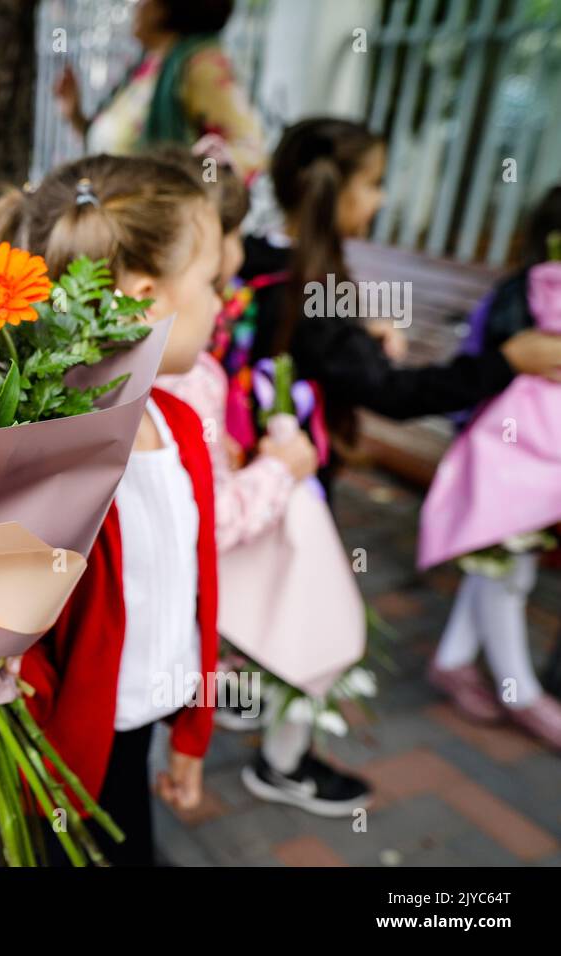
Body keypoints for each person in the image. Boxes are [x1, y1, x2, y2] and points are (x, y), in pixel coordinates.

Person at [0, 154, 223, 866]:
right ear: (148, 294)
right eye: (210, 282)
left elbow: (196, 586)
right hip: (40, 765)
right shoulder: (47, 456)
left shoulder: (179, 427)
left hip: (128, 742)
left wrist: (192, 733)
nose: (223, 300)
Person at [152, 142, 375, 814]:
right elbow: (210, 518)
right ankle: (277, 756)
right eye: (217, 283)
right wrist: (282, 468)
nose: (232, 286)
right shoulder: (183, 374)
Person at [240, 118, 561, 493]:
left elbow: (316, 347)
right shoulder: (306, 288)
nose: (383, 199)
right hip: (285, 481)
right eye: (375, 184)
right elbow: (393, 391)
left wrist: (358, 335)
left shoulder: (256, 260)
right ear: (334, 190)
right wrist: (507, 361)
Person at [423, 185, 561, 751]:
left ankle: (452, 659)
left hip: (529, 455)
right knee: (508, 565)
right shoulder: (524, 295)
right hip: (510, 457)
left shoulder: (521, 289)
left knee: (499, 556)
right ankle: (519, 690)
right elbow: (478, 366)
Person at [55, 0, 263, 178]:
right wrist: (75, 115)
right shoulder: (149, 68)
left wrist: (199, 178)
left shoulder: (200, 66)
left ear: (163, 8)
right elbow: (119, 148)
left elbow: (250, 151)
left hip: (157, 220)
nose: (135, 5)